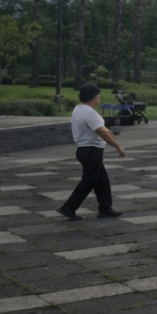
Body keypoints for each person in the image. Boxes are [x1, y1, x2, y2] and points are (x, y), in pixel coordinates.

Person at [57, 83, 126, 221]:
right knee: (89, 181)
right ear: (93, 97)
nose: (99, 98)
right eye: (98, 95)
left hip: (86, 150)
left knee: (102, 180)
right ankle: (68, 207)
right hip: (91, 151)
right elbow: (102, 132)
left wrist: (117, 143)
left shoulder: (79, 109)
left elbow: (105, 129)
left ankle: (105, 208)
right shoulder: (89, 113)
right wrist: (117, 146)